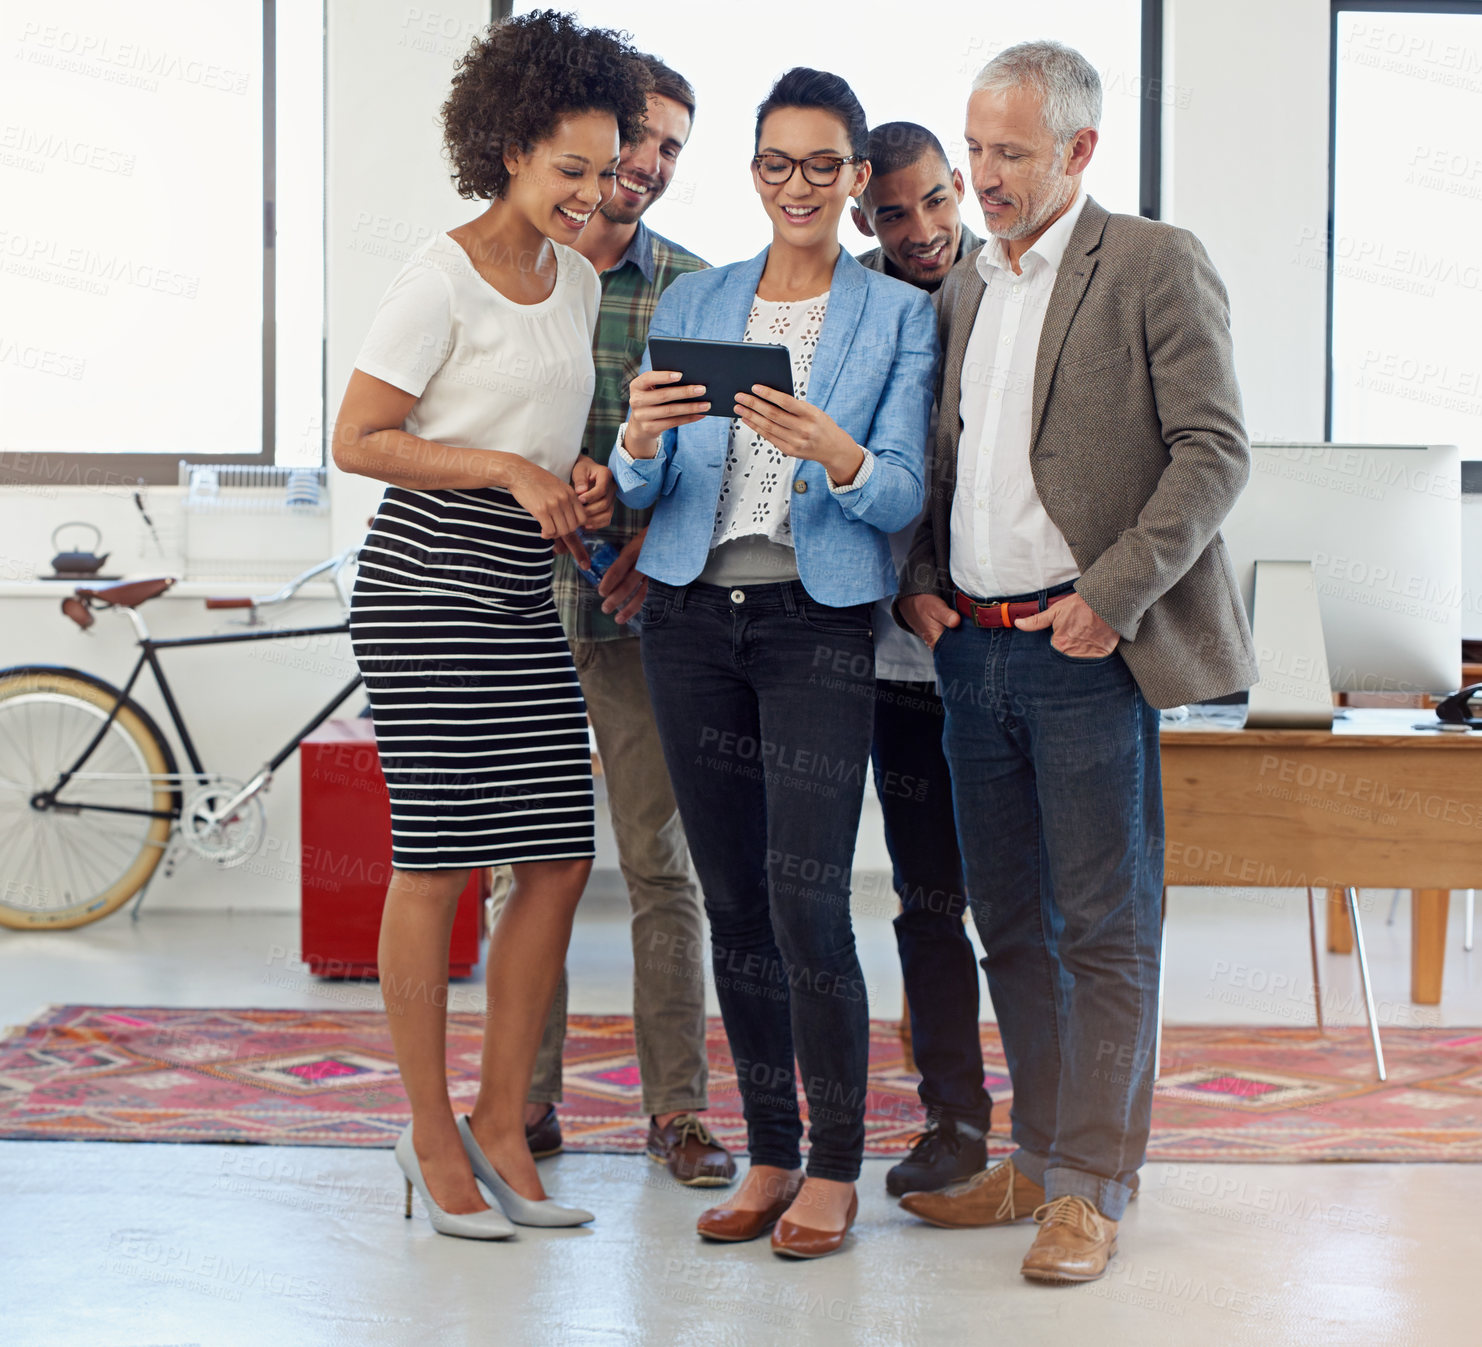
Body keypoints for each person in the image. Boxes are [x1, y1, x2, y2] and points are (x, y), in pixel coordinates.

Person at [895, 41, 1257, 1283]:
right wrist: (919, 584)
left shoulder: (1153, 262)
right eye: (974, 149)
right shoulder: (964, 287)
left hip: (1085, 649)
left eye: (1007, 153)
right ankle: (1042, 1163)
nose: (981, 177)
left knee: (1103, 928)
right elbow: (947, 463)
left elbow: (1212, 453)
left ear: (1079, 151)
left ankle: (1093, 1188)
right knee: (1012, 926)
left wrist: (1110, 599)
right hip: (975, 659)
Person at [331, 10, 648, 1239]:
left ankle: (502, 1123)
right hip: (423, 591)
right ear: (510, 147)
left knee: (560, 857)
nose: (590, 193)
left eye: (606, 170)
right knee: (440, 861)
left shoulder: (574, 280)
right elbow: (358, 440)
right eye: (569, 168)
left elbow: (542, 426)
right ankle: (427, 1138)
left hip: (524, 585)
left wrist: (574, 478)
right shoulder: (439, 274)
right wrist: (506, 474)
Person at [614, 68, 937, 1259]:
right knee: (736, 901)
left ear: (857, 181)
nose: (795, 186)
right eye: (773, 164)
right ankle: (766, 1151)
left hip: (816, 619)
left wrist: (837, 451)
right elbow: (648, 484)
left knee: (807, 897)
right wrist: (638, 438)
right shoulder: (699, 294)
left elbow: (901, 490)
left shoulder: (898, 315)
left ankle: (836, 1167)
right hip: (691, 620)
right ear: (753, 173)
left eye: (821, 166)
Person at [483, 52, 734, 1189]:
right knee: (526, 864)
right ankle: (522, 1102)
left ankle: (676, 1112)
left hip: (639, 614)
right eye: (642, 140)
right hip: (511, 606)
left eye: (675, 148)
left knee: (659, 866)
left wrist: (642, 548)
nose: (650, 165)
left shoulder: (694, 288)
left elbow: (714, 453)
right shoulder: (507, 270)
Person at [850, 121, 992, 1197]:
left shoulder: (1013, 287)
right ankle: (954, 1118)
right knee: (929, 898)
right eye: (894, 212)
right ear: (864, 215)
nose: (922, 229)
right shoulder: (851, 304)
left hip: (1006, 650)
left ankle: (1061, 1118)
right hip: (895, 667)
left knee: (1025, 901)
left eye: (937, 200)